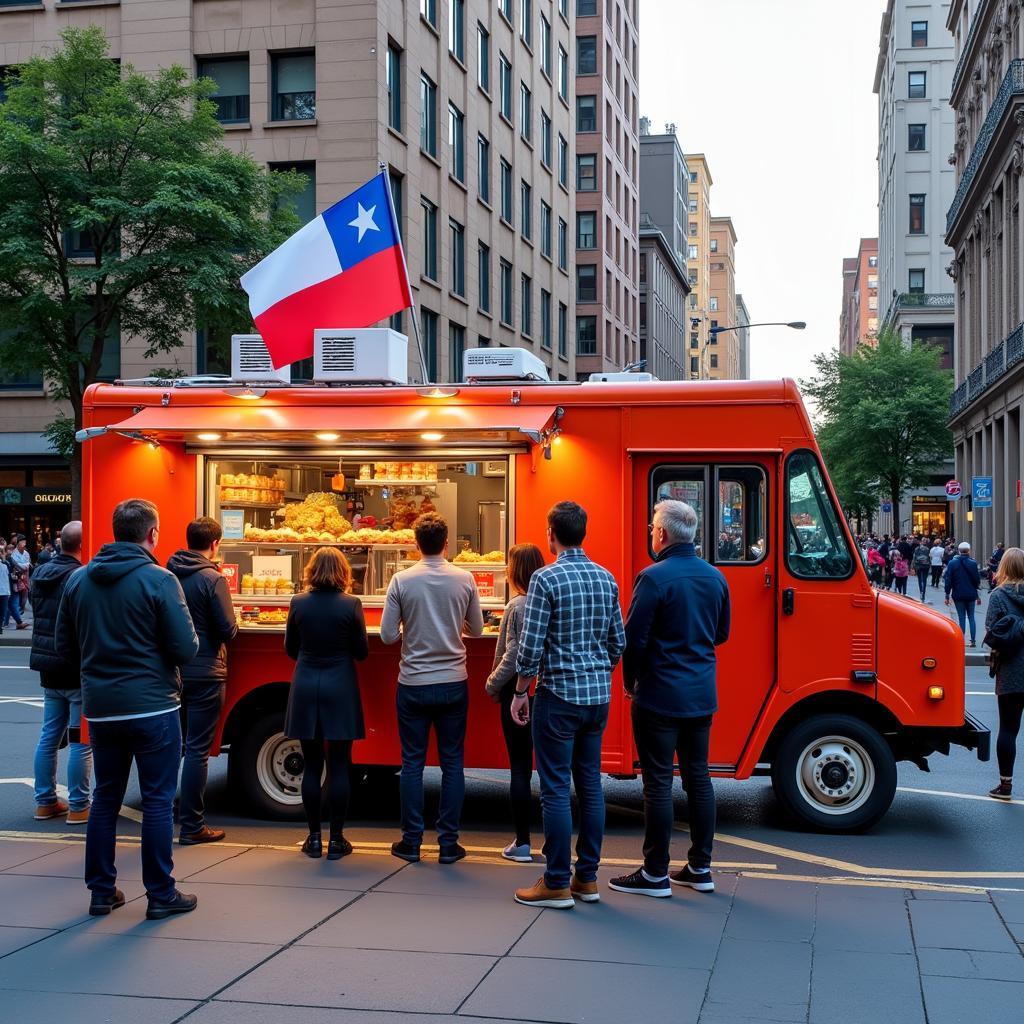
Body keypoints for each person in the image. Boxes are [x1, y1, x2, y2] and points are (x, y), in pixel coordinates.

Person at [56, 498, 200, 920]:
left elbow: (65, 649)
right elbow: (185, 648)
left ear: (115, 531)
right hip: (154, 705)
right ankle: (160, 893)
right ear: (152, 534)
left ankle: (102, 891)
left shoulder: (79, 581)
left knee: (105, 797)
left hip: (101, 708)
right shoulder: (160, 580)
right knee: (157, 800)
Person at [609, 500, 730, 899]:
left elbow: (634, 640)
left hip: (659, 694)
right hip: (702, 694)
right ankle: (700, 867)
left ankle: (655, 873)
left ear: (661, 534)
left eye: (651, 528)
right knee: (699, 778)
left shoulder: (653, 578)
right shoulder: (715, 578)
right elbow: (721, 633)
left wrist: (631, 681)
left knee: (658, 784)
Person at [511, 501, 625, 909]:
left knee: (556, 788)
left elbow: (530, 645)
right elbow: (618, 643)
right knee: (590, 784)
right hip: (597, 698)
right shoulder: (606, 578)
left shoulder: (545, 578)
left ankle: (556, 881)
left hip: (558, 695)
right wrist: (597, 670)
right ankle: (587, 880)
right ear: (584, 533)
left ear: (551, 534)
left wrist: (521, 691)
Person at [381, 512, 483, 864]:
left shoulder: (401, 580)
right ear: (447, 542)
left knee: (412, 763)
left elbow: (387, 635)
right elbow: (478, 629)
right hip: (454, 680)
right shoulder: (465, 577)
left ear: (415, 544)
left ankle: (411, 842)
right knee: (452, 763)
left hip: (413, 682)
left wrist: (414, 630)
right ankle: (449, 844)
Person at [284, 546, 369, 860]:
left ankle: (313, 838)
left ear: (311, 571)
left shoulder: (298, 603)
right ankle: (337, 839)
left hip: (306, 683)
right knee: (339, 766)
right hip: (340, 686)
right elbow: (361, 651)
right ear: (343, 573)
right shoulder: (351, 604)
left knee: (311, 764)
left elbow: (290, 647)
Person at [167, 517, 239, 846]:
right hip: (207, 671)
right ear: (214, 544)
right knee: (197, 748)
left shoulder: (167, 574)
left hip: (174, 670)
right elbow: (227, 629)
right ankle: (192, 824)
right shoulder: (213, 578)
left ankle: (166, 809)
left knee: (175, 746)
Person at [485, 543, 546, 863]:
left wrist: (492, 684)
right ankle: (553, 843)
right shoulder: (548, 599)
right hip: (546, 692)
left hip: (518, 694)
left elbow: (514, 656)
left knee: (520, 769)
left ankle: (522, 842)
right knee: (551, 771)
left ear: (514, 571)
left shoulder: (517, 606)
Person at [31, 521, 91, 824]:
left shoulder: (39, 573)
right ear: (82, 545)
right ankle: (79, 806)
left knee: (49, 736)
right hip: (73, 667)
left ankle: (44, 802)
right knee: (81, 739)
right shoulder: (78, 577)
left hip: (48, 667)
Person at [984, 547, 1024, 801]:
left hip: (1011, 671)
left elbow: (991, 631)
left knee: (1008, 730)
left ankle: (1005, 785)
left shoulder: (998, 596)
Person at [944, 540, 982, 647]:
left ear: (959, 551)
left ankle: (962, 640)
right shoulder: (973, 563)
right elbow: (976, 580)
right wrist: (977, 595)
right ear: (969, 550)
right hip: (971, 593)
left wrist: (947, 594)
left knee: (961, 617)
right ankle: (973, 640)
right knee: (971, 616)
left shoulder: (952, 563)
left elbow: (948, 580)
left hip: (958, 594)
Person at [4, 541, 29, 630]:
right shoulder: (7, 560)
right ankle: (16, 622)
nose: (11, 551)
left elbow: (17, 568)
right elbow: (18, 567)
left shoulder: (9, 559)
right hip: (8, 585)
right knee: (11, 603)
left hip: (11, 584)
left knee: (11, 603)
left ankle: (12, 622)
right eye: (8, 550)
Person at [9, 535, 32, 616]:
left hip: (25, 576)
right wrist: (23, 565)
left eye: (24, 541)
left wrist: (23, 565)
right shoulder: (13, 553)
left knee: (25, 592)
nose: (24, 543)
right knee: (18, 592)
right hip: (17, 576)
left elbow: (28, 564)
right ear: (18, 543)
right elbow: (15, 564)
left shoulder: (26, 553)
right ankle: (17, 610)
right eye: (22, 541)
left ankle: (21, 608)